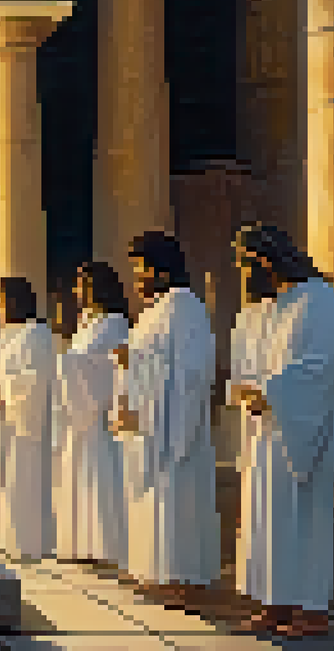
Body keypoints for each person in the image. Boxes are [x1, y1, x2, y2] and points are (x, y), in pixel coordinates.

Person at [229, 224, 334, 636]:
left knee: (301, 518)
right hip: (269, 431)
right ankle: (275, 604)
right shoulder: (273, 305)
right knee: (269, 519)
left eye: (245, 263)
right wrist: (247, 387)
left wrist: (271, 391)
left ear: (265, 260)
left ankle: (311, 611)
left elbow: (318, 366)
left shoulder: (317, 298)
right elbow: (258, 361)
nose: (242, 273)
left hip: (301, 431)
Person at [111, 231, 220, 603]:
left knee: (175, 502)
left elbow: (192, 369)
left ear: (161, 269)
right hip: (151, 420)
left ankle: (180, 578)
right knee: (153, 502)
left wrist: (135, 361)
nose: (137, 277)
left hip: (173, 423)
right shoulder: (156, 310)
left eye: (141, 268)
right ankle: (156, 572)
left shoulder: (183, 305)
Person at [54, 261, 131, 565]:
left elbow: (109, 365)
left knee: (102, 480)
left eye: (81, 284)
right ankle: (82, 545)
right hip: (80, 416)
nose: (76, 291)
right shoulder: (87, 324)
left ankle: (106, 548)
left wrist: (69, 364)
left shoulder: (115, 323)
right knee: (80, 480)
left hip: (99, 417)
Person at [0, 277, 55, 560]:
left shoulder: (36, 334)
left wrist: (3, 391)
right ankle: (13, 540)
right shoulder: (11, 336)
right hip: (8, 421)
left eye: (2, 300)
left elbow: (36, 380)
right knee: (9, 483)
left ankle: (30, 544)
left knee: (25, 484)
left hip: (27, 427)